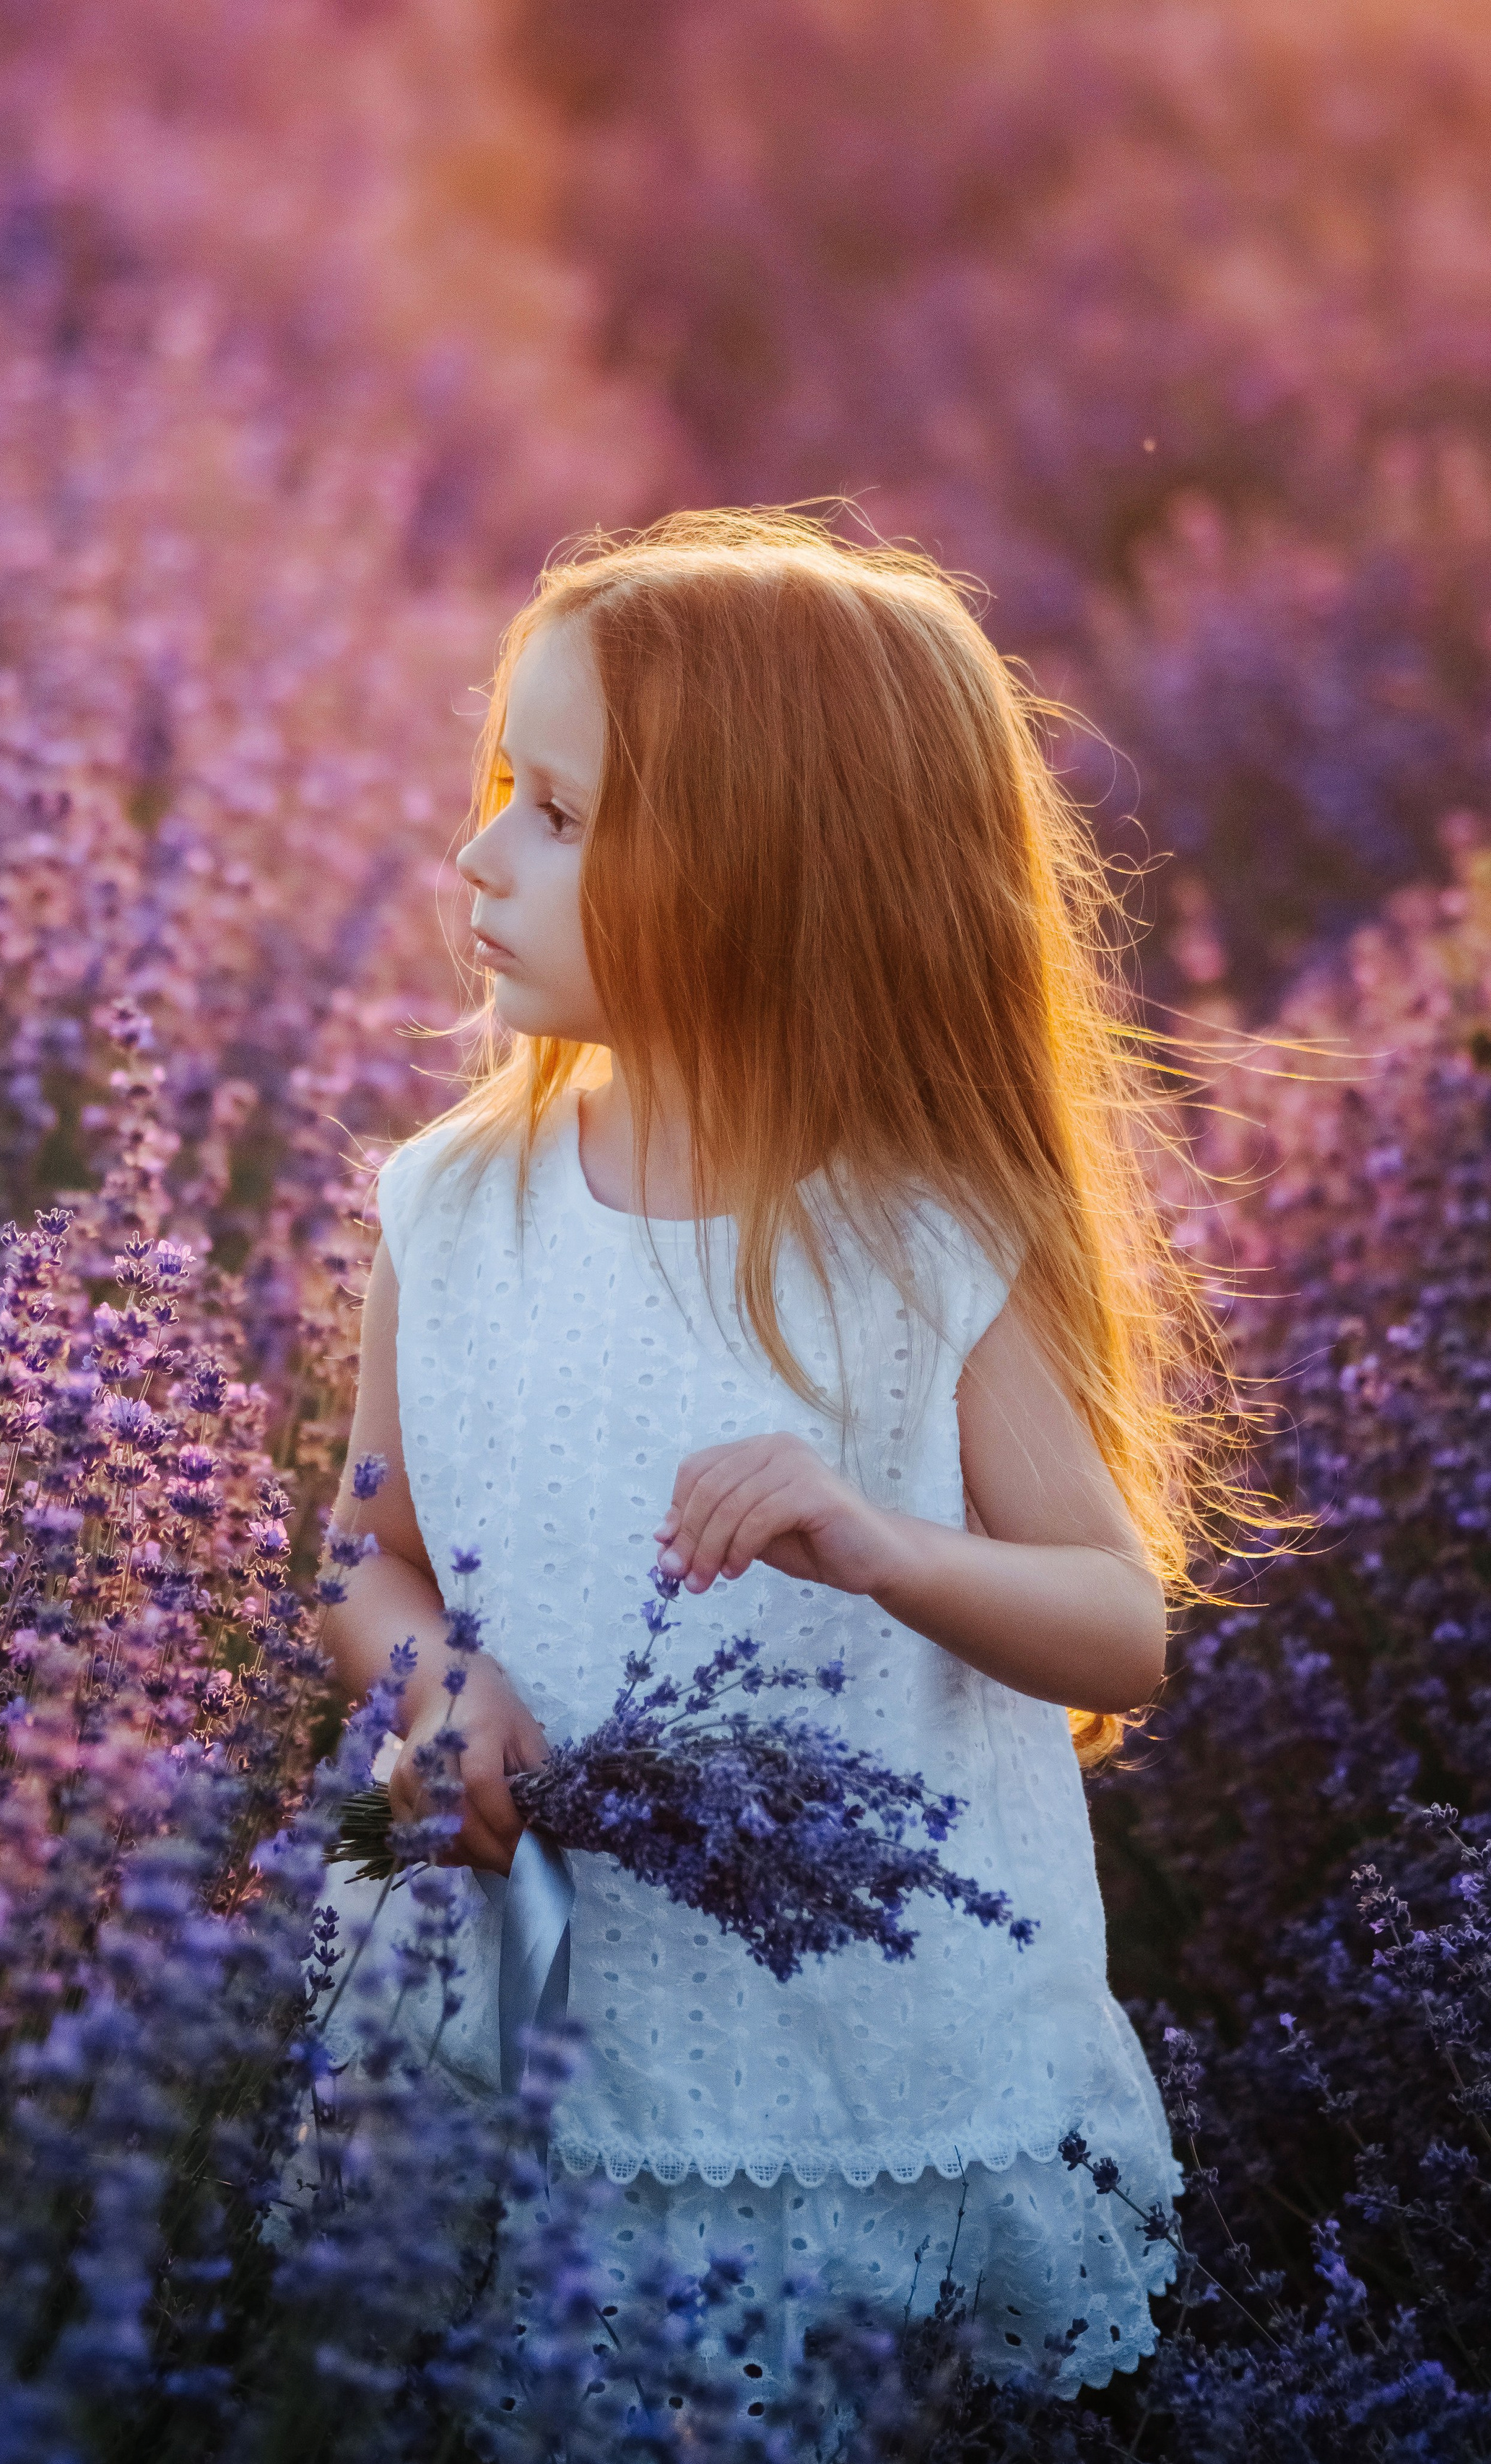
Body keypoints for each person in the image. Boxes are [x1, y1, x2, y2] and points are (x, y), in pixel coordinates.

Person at [312, 507, 1254, 2424]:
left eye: (556, 814)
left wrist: (884, 1543)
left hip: (870, 2067)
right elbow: (362, 1554)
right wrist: (435, 1688)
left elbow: (1115, 1622)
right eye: (504, 787)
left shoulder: (922, 1243)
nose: (477, 851)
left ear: (750, 876)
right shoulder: (460, 1206)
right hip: (563, 2029)